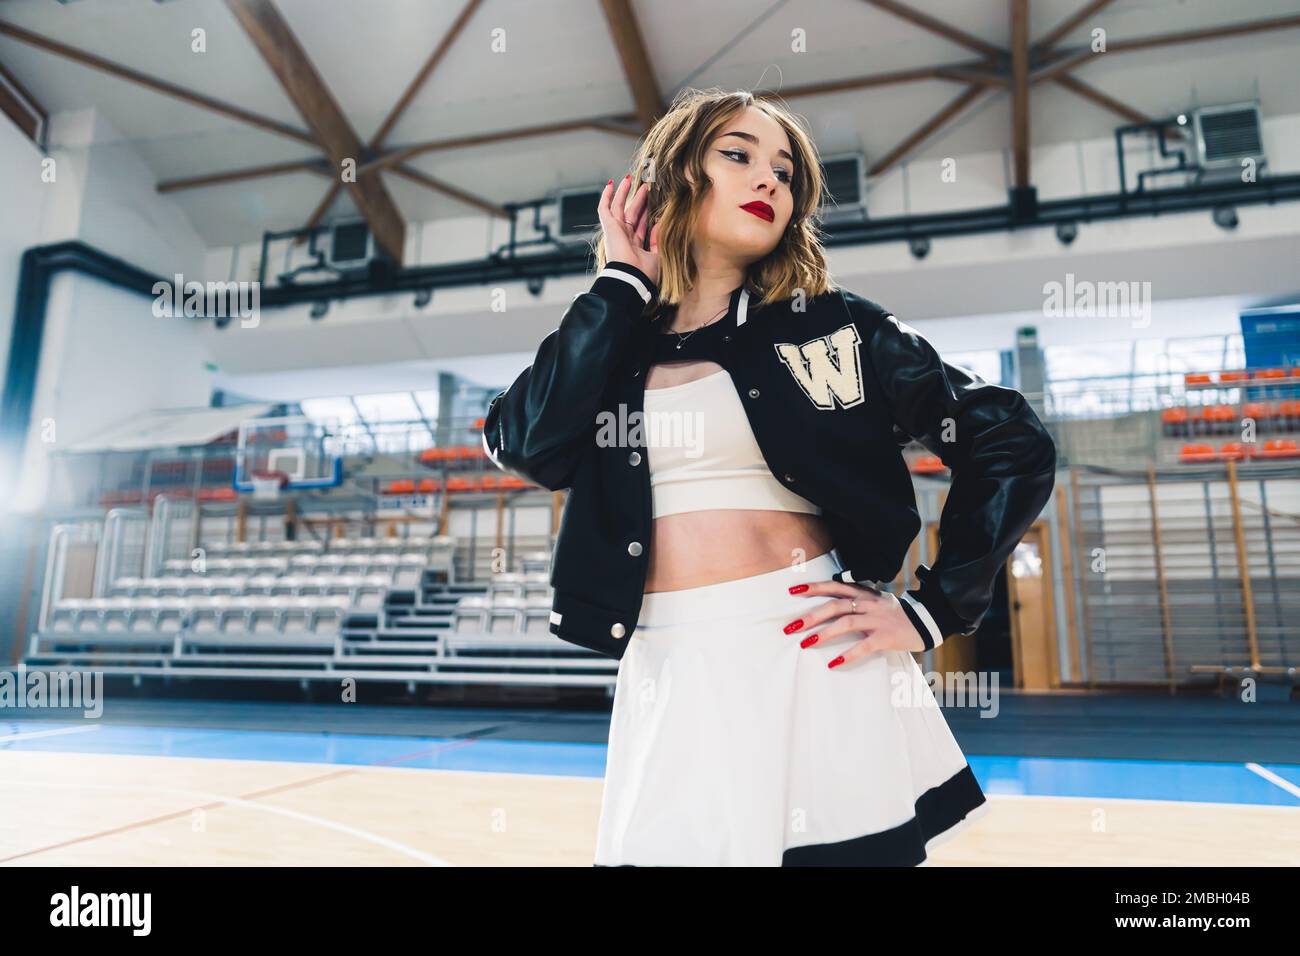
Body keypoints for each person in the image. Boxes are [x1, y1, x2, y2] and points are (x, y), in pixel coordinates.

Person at [482, 88, 1057, 865]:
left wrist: (930, 610)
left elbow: (1009, 440)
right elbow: (523, 442)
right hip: (668, 659)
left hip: (813, 645)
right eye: (739, 156)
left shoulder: (840, 326)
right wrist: (621, 283)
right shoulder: (612, 338)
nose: (769, 183)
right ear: (676, 175)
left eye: (785, 173)